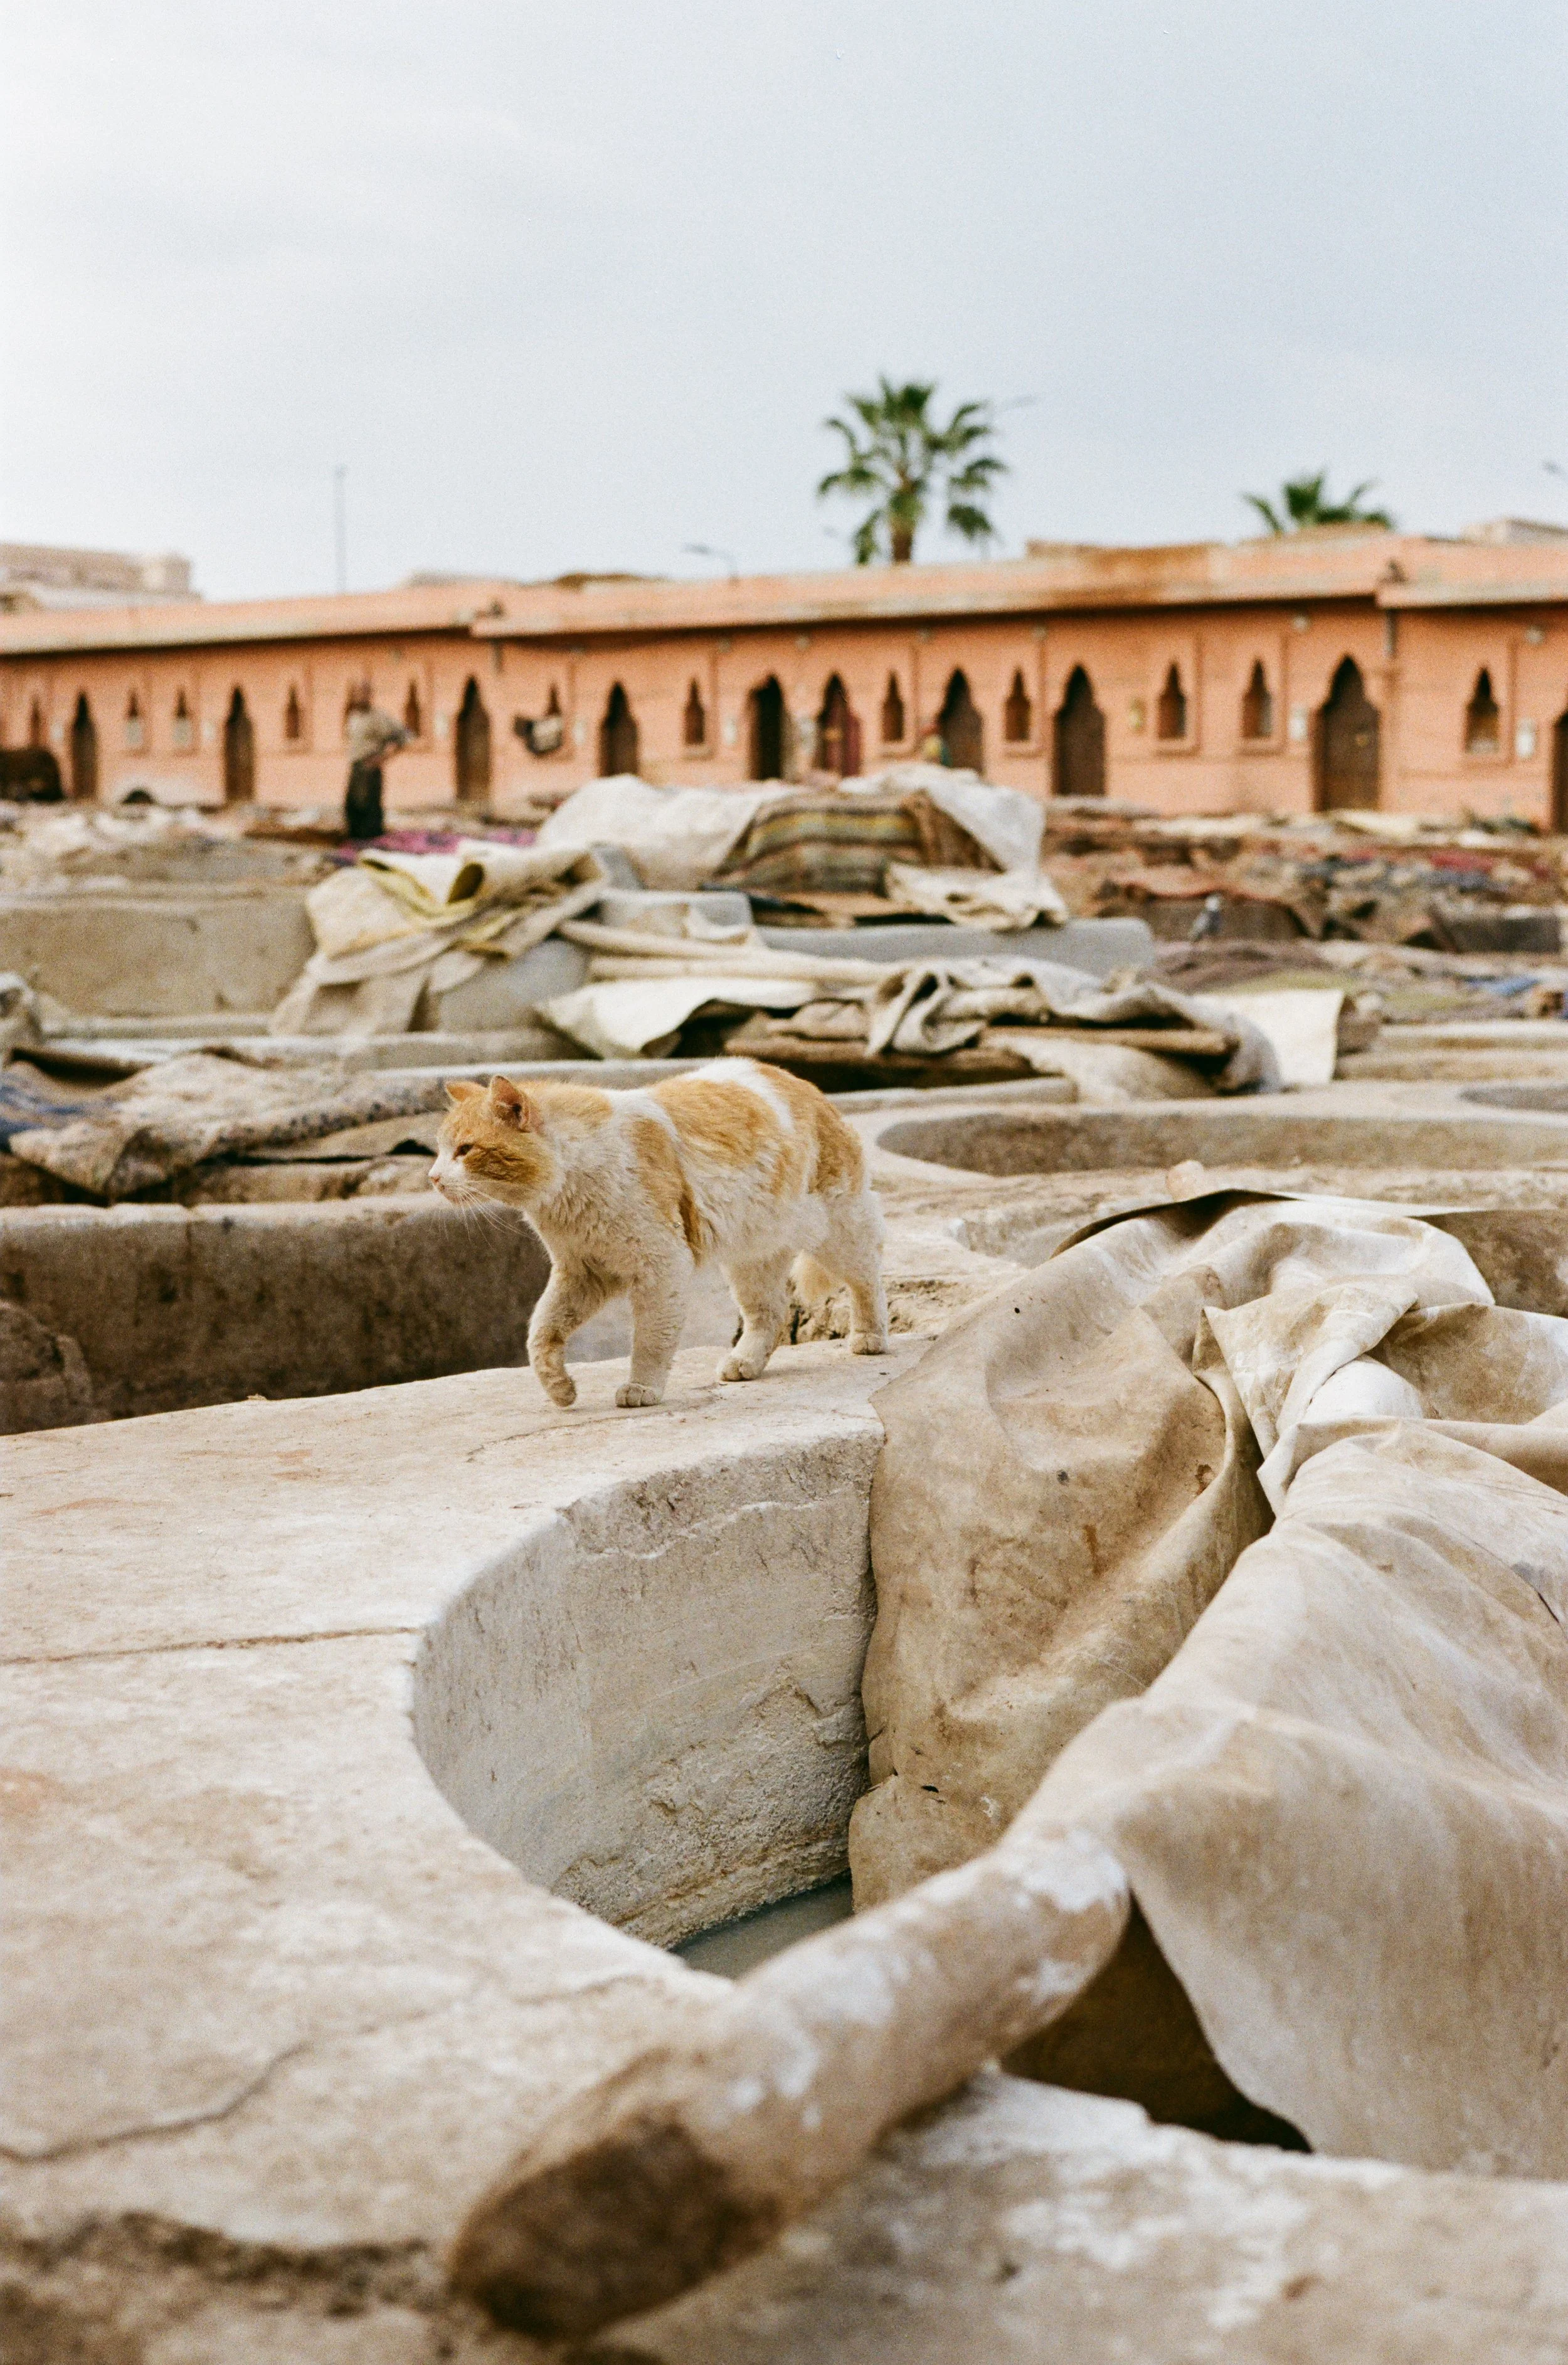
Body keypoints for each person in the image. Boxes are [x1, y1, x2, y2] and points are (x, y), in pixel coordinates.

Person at [343, 708, 407, 839]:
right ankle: (356, 844)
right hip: (356, 769)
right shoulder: (354, 717)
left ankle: (371, 844)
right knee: (353, 810)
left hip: (370, 770)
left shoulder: (378, 718)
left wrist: (382, 758)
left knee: (369, 813)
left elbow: (402, 736)